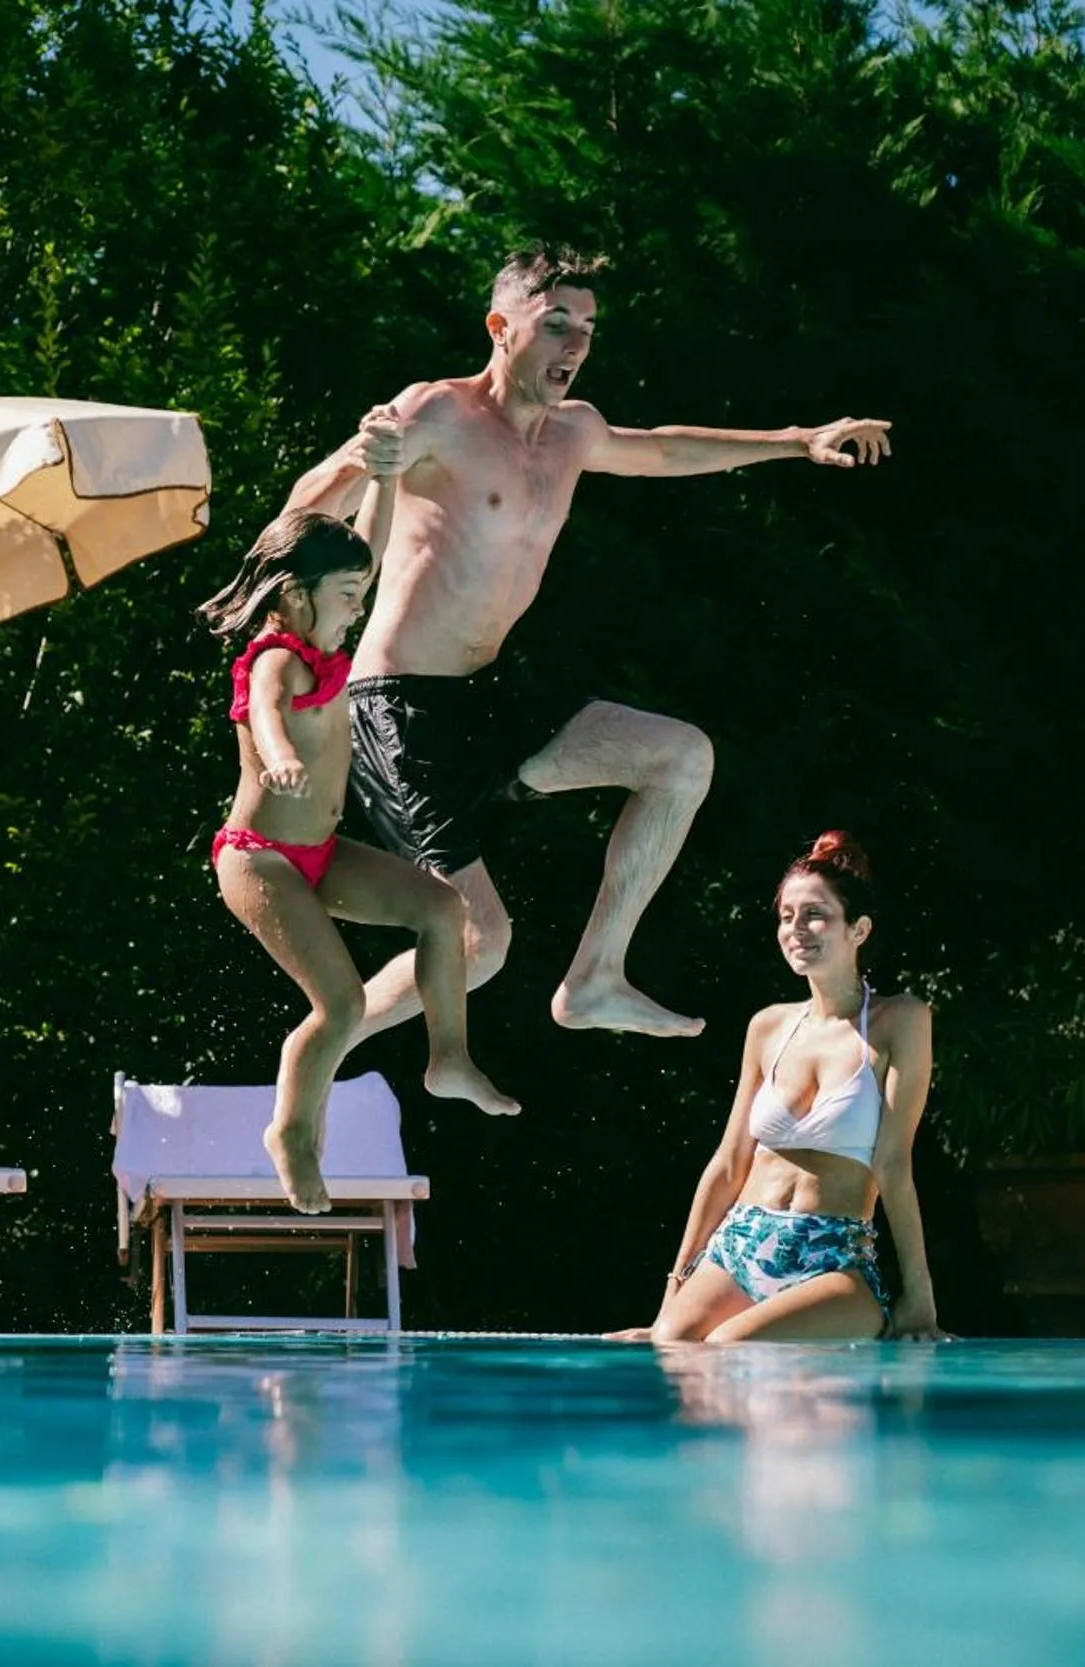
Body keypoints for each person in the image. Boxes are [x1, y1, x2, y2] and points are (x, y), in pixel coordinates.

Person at [285, 246, 892, 1042]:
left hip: (490, 695)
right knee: (480, 943)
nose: (574, 344)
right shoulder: (436, 413)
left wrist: (798, 439)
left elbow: (666, 449)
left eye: (587, 328)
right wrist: (361, 466)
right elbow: (304, 505)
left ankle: (596, 976)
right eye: (555, 324)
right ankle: (321, 1044)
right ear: (500, 328)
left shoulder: (575, 431)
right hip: (400, 711)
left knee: (681, 758)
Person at [202, 491, 518, 1216]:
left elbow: (365, 545)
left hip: (318, 851)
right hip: (259, 858)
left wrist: (384, 474)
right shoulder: (278, 657)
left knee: (441, 908)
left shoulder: (322, 645)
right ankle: (291, 1129)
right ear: (294, 593)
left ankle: (449, 1058)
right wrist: (280, 757)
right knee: (341, 1006)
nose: (357, 608)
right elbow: (266, 710)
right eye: (346, 595)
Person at [611, 832, 947, 1342]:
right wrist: (672, 1295)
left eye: (815, 914)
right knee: (671, 1344)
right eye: (787, 916)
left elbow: (894, 1164)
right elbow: (729, 1165)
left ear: (858, 930)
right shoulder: (768, 1027)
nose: (796, 929)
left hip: (832, 1256)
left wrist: (919, 1302)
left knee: (729, 1347)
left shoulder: (899, 1020)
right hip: (739, 1244)